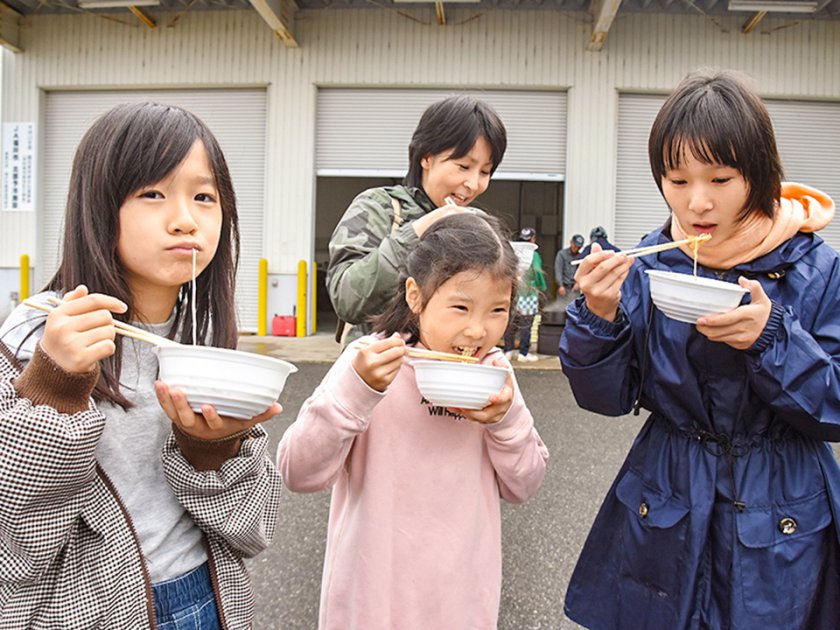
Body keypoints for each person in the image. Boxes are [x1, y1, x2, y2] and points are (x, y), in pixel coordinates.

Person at [559, 68, 840, 629]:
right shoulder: (651, 261)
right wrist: (598, 314)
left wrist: (773, 338)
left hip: (782, 504)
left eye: (720, 179)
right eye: (677, 180)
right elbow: (606, 399)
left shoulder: (817, 269)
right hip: (667, 491)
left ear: (757, 175)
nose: (698, 203)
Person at [0, 103, 282, 628]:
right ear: (99, 208)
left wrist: (212, 449)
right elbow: (14, 553)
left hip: (207, 599)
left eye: (204, 197)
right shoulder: (32, 339)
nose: (185, 219)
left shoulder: (201, 340)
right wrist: (54, 391)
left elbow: (253, 531)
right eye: (153, 194)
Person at [278, 213, 549, 630]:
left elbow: (523, 485)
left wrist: (504, 421)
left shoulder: (497, 376)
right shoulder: (369, 361)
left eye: (498, 310)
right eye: (460, 307)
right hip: (370, 603)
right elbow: (298, 471)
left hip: (461, 605)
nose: (478, 330)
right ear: (416, 296)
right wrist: (357, 390)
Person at [327, 95, 507, 342]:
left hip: (450, 374)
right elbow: (346, 300)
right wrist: (419, 230)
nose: (474, 183)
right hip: (382, 374)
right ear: (427, 157)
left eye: (485, 172)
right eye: (464, 166)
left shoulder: (476, 226)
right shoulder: (379, 208)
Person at [504, 226, 547, 362]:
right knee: (526, 324)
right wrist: (542, 287)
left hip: (513, 293)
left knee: (511, 323)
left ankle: (508, 350)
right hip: (528, 294)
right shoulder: (533, 254)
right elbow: (537, 272)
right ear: (533, 239)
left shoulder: (514, 251)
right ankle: (523, 353)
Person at [554, 233, 584, 300]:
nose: (576, 249)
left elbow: (582, 271)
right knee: (561, 309)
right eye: (575, 246)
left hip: (575, 289)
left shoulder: (581, 257)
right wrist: (560, 285)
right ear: (571, 242)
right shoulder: (562, 254)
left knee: (575, 309)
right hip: (563, 287)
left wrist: (578, 283)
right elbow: (558, 270)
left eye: (579, 247)